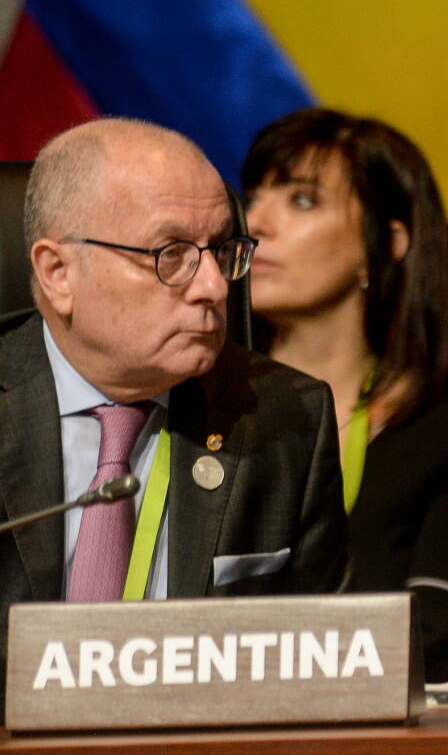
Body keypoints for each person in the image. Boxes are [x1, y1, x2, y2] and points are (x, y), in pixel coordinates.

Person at [0, 119, 346, 689]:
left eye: (222, 251)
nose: (215, 287)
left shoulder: (286, 416)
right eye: (171, 253)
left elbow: (323, 675)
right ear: (58, 272)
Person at [243, 109, 448, 682]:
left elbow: (442, 633)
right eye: (253, 198)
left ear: (387, 242)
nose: (254, 222)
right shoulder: (197, 404)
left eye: (302, 200)